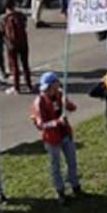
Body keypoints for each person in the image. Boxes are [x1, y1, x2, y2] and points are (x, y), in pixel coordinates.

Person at [31, 71, 81, 204]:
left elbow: (73, 108)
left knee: (72, 161)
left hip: (65, 134)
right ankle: (60, 191)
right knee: (55, 166)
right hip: (52, 139)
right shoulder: (39, 102)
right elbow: (41, 124)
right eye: (46, 88)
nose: (48, 90)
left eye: (50, 87)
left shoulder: (60, 95)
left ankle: (75, 185)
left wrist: (67, 102)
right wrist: (57, 122)